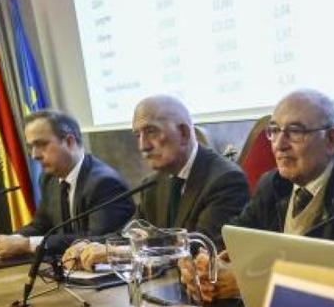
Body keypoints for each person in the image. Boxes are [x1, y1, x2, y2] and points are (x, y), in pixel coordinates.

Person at [184, 88, 334, 302]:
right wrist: (203, 264)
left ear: (332, 139)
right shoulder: (272, 184)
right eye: (274, 131)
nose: (279, 145)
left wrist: (246, 279)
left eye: (295, 131)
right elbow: (233, 238)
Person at [63, 94, 249, 270]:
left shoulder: (225, 180)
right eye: (138, 135)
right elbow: (129, 235)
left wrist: (114, 252)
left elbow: (200, 250)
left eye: (151, 131)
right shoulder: (155, 183)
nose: (142, 146)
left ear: (183, 133)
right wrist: (90, 245)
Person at [0, 110, 133, 258]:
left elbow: (96, 240)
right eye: (30, 147)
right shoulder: (49, 179)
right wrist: (10, 239)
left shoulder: (104, 183)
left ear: (69, 142)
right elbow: (41, 226)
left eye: (41, 144)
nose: (34, 155)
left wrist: (28, 243)